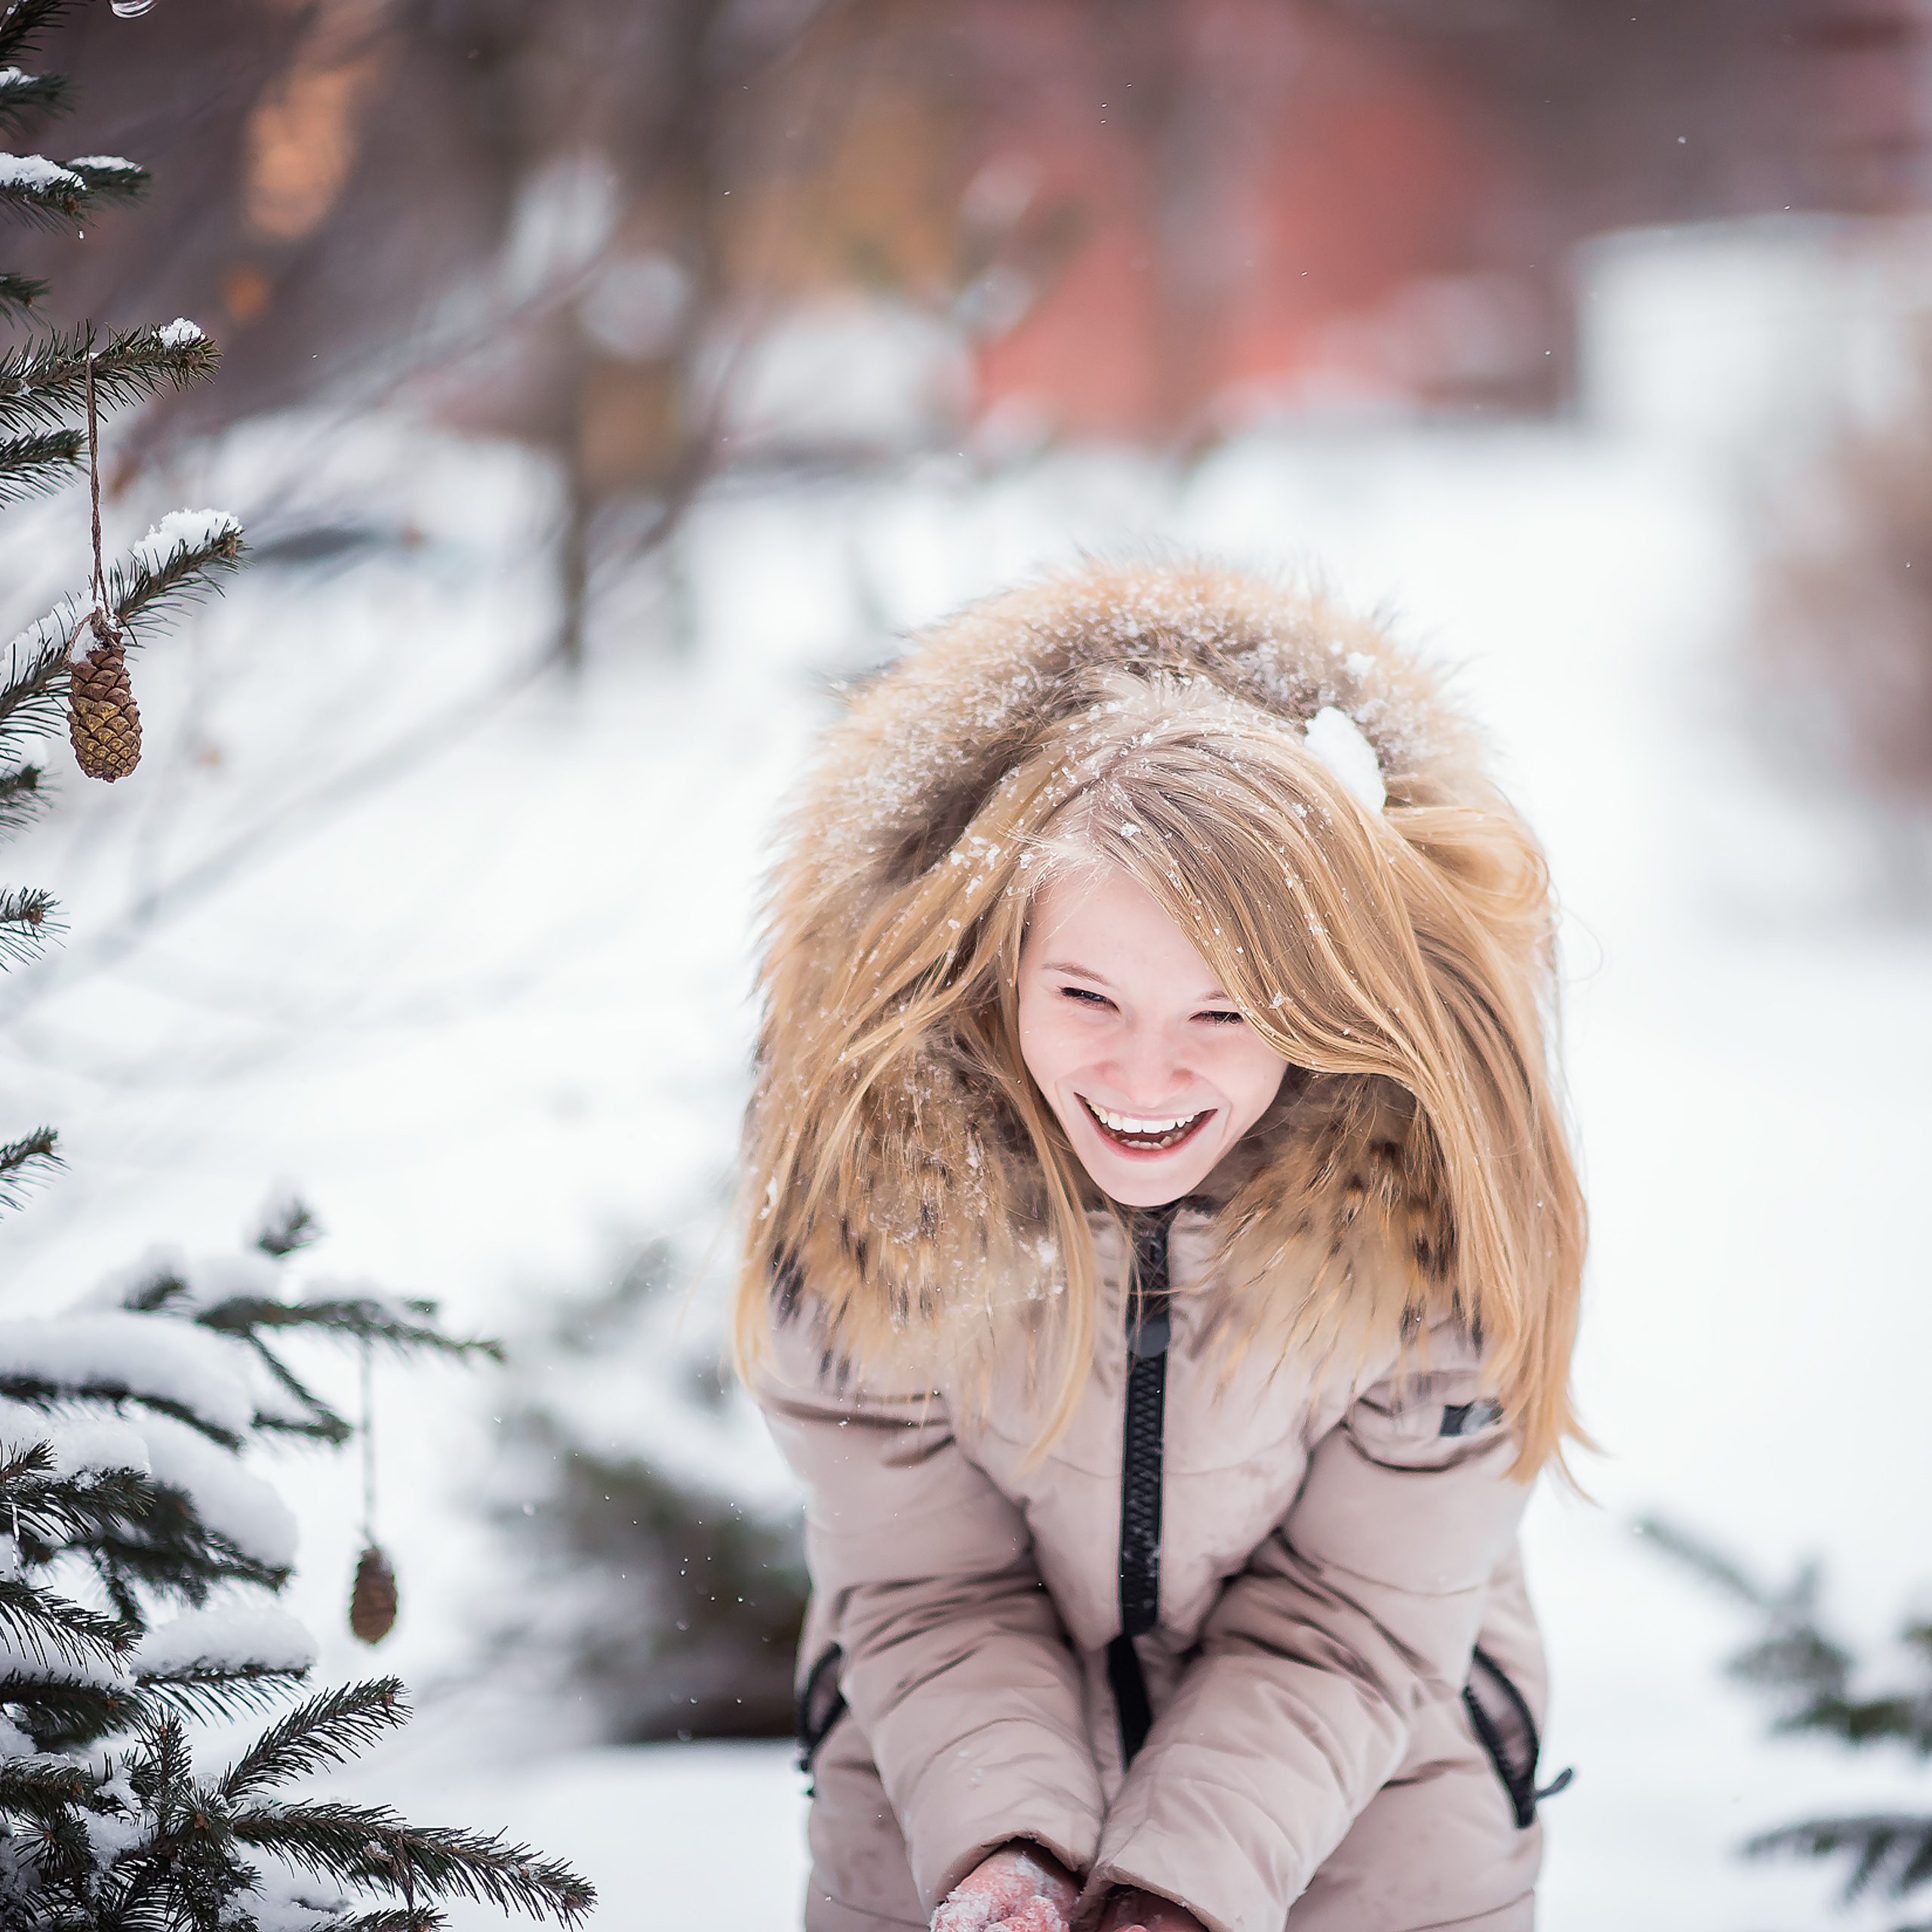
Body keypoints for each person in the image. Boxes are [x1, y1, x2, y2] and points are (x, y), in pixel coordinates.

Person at [736, 562, 1586, 1932]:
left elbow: (1357, 1614)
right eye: (1087, 996)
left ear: (1317, 1002)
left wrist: (1176, 1892)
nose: (1147, 1075)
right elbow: (927, 1585)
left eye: (1223, 1012)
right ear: (993, 969)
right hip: (935, 1779)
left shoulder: (1431, 1216)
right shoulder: (876, 1217)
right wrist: (1002, 1846)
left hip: (1385, 1785)